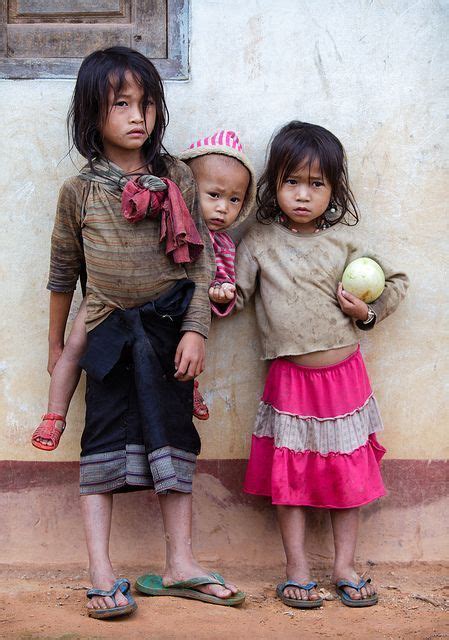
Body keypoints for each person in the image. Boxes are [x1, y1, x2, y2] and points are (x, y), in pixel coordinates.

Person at [43, 46, 245, 618]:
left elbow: (199, 262)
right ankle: (100, 570)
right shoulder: (78, 193)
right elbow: (63, 276)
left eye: (147, 102)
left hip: (166, 333)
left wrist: (196, 329)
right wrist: (56, 347)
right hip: (106, 337)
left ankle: (180, 563)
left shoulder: (176, 175)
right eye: (121, 104)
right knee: (100, 448)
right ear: (91, 115)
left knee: (176, 443)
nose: (139, 115)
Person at [232, 121, 409, 609]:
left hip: (345, 379)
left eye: (317, 184)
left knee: (347, 475)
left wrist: (366, 313)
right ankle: (296, 569)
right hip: (290, 380)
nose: (303, 195)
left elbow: (396, 281)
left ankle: (345, 566)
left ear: (334, 190)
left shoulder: (345, 243)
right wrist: (221, 291)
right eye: (292, 182)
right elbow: (237, 294)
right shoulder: (259, 241)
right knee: (291, 477)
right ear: (274, 185)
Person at [178, 130, 256, 419]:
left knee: (186, 356)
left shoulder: (223, 244)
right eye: (214, 195)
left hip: (191, 319)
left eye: (234, 200)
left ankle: (188, 387)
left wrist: (221, 293)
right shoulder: (174, 228)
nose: (223, 208)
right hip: (158, 307)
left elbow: (224, 277)